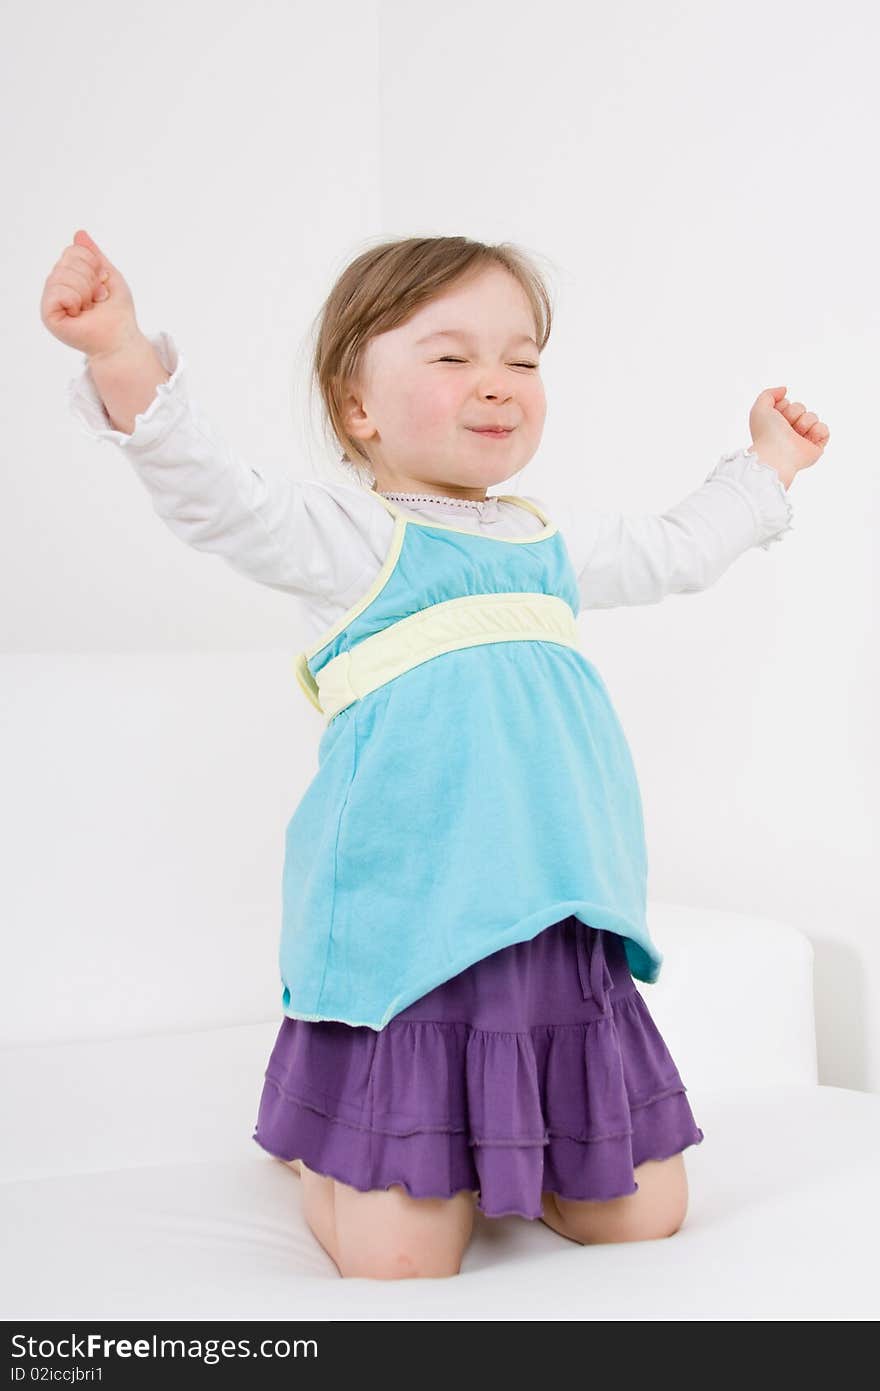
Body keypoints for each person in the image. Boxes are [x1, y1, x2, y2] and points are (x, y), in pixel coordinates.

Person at [41, 228, 829, 1281]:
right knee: (402, 1259)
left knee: (642, 1217)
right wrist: (121, 353)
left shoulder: (548, 545)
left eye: (523, 358)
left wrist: (767, 462)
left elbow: (676, 548)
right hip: (411, 931)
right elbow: (219, 498)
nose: (496, 383)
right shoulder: (353, 540)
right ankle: (330, 1157)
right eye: (452, 357)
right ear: (356, 405)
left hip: (552, 919)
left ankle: (529, 1146)